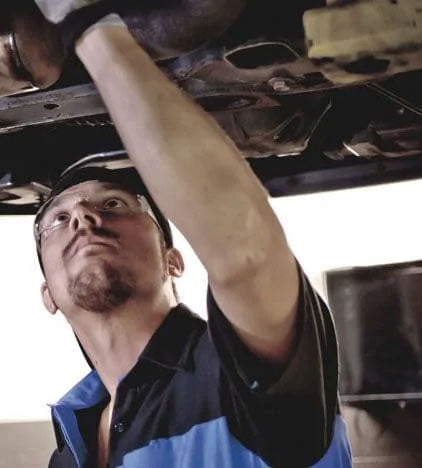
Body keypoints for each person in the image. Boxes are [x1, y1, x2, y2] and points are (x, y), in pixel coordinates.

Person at [30, 1, 354, 467]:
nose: (82, 218)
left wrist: (90, 27)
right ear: (48, 295)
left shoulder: (234, 371)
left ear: (173, 259)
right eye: (56, 220)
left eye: (114, 205)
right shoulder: (72, 439)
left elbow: (246, 251)